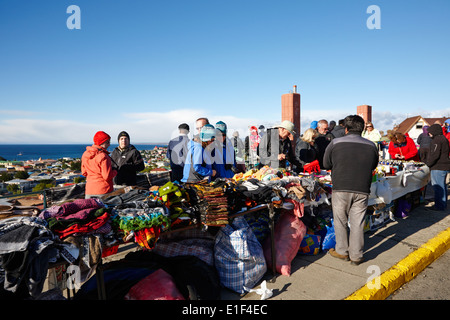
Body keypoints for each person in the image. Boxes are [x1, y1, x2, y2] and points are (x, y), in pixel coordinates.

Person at [323, 115, 379, 265]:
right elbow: (374, 165)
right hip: (362, 188)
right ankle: (356, 255)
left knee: (340, 221)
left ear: (346, 129)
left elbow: (326, 164)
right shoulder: (371, 145)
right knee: (357, 222)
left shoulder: (335, 143)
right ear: (362, 129)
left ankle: (342, 251)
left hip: (341, 187)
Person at [82, 131, 117, 199]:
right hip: (104, 190)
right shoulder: (103, 156)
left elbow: (84, 172)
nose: (109, 144)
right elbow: (107, 176)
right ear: (101, 142)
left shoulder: (85, 154)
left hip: (89, 190)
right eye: (107, 142)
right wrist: (115, 171)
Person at [423, 124, 450, 211]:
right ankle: (442, 205)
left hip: (438, 167)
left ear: (434, 132)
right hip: (444, 166)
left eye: (430, 132)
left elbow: (435, 154)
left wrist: (428, 163)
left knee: (438, 187)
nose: (429, 134)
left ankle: (439, 206)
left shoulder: (437, 140)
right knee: (443, 187)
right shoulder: (443, 139)